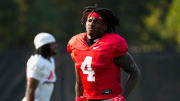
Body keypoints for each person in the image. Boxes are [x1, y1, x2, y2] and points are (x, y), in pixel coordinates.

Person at [67, 5, 141, 101]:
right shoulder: (76, 44)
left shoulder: (112, 44)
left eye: (96, 21)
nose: (91, 24)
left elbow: (134, 72)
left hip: (110, 98)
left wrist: (123, 97)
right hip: (88, 98)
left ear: (105, 26)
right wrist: (78, 98)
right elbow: (79, 81)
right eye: (89, 20)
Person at [22, 32, 57, 101]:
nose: (55, 46)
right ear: (44, 45)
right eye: (52, 44)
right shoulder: (37, 62)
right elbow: (31, 88)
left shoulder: (51, 60)